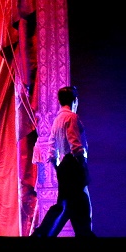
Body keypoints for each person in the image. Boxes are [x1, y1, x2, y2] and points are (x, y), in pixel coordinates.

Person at [31, 85, 96, 238]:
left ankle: (44, 234)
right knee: (80, 202)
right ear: (75, 100)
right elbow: (75, 145)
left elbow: (52, 149)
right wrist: (83, 166)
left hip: (65, 165)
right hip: (73, 163)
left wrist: (59, 169)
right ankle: (82, 234)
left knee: (67, 204)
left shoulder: (57, 120)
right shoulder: (71, 117)